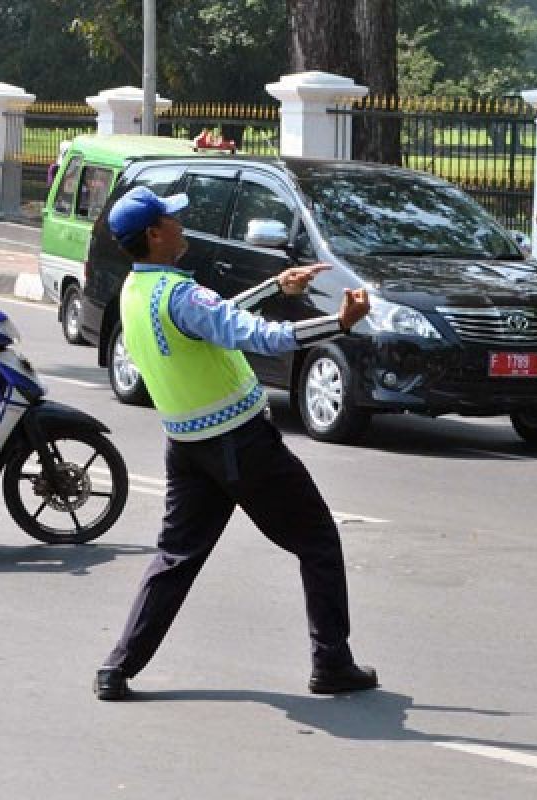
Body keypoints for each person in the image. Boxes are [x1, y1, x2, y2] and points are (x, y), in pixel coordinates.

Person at [94, 186, 378, 701]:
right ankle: (332, 662)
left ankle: (117, 667)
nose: (182, 226)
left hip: (186, 447)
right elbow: (259, 336)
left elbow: (211, 319)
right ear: (156, 235)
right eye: (173, 221)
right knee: (317, 542)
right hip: (242, 445)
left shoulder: (136, 292)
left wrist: (275, 284)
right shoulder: (180, 295)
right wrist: (338, 324)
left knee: (175, 559)